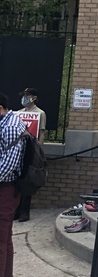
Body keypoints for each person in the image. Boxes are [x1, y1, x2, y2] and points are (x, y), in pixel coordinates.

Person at [0, 92, 27, 277]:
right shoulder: (9, 122)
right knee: (4, 241)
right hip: (6, 190)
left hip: (5, 190)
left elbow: (7, 168)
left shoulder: (10, 126)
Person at [14, 87, 47, 223]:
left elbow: (42, 132)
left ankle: (24, 212)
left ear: (34, 98)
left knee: (28, 181)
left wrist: (38, 147)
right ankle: (16, 210)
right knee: (17, 182)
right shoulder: (19, 113)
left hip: (31, 150)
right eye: (24, 95)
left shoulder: (40, 113)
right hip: (18, 150)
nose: (25, 98)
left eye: (28, 96)